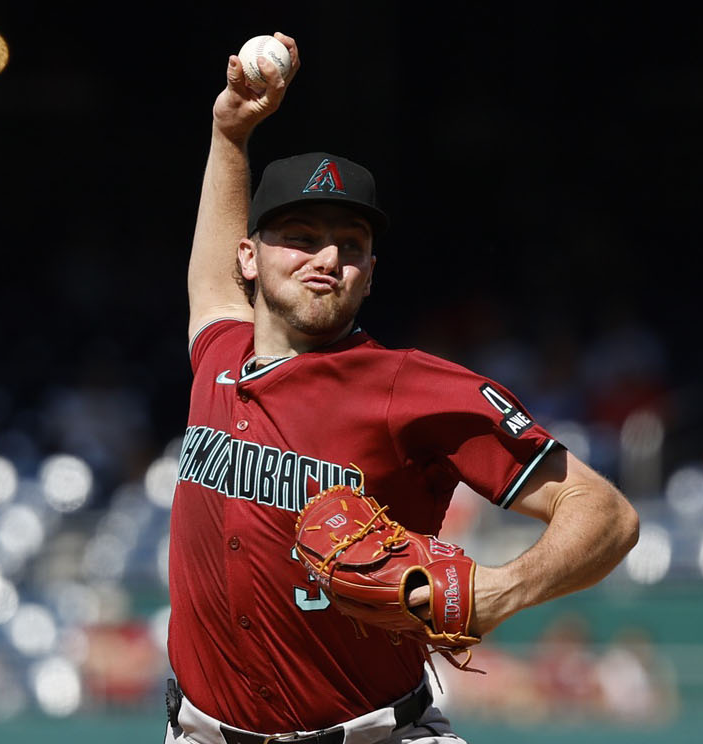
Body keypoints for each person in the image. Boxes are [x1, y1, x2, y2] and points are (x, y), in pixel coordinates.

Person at [163, 32, 640, 744]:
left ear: (371, 270)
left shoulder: (408, 388)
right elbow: (209, 286)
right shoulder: (222, 353)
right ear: (250, 258)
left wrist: (497, 592)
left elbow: (604, 513)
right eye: (299, 236)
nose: (328, 258)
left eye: (350, 245)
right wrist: (229, 133)